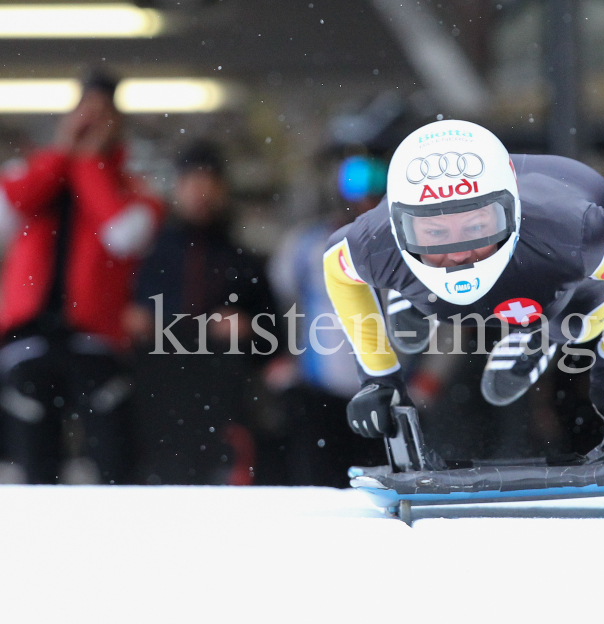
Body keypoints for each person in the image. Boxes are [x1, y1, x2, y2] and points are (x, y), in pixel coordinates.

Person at [323, 120, 604, 446]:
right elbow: (337, 270)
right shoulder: (374, 244)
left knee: (580, 324)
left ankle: (537, 336)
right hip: (533, 243)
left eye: (474, 227)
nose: (458, 254)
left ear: (511, 210)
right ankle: (418, 295)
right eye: (435, 232)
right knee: (451, 301)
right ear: (398, 226)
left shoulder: (574, 232)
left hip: (559, 206)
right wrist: (378, 377)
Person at [0, 71, 164, 484]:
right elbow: (8, 211)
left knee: (114, 462)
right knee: (33, 463)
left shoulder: (133, 185)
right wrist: (60, 155)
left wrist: (88, 163)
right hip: (28, 341)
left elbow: (123, 236)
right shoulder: (38, 171)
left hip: (96, 342)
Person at [126, 141, 280, 485]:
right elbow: (125, 317)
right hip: (158, 403)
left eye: (209, 183)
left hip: (223, 402)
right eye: (192, 183)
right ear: (177, 189)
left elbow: (276, 338)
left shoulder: (242, 260)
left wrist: (250, 327)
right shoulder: (148, 258)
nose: (201, 193)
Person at [265, 155, 385, 486]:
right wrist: (280, 355)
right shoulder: (305, 244)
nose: (364, 203)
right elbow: (277, 300)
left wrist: (429, 377)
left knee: (381, 487)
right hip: (319, 394)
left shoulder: (403, 246)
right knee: (320, 486)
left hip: (387, 393)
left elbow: (435, 314)